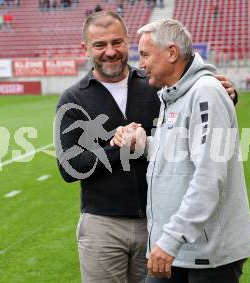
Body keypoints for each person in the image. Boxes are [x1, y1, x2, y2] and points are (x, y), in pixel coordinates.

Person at [55, 12, 238, 283]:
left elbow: (197, 101)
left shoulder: (157, 83)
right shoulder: (73, 98)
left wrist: (228, 95)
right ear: (86, 48)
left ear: (127, 41)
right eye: (99, 45)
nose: (110, 52)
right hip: (103, 226)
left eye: (116, 42)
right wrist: (120, 148)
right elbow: (69, 168)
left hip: (158, 224)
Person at [112, 18, 250, 282]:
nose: (141, 64)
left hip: (206, 256)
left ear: (171, 53)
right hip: (177, 250)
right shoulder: (174, 93)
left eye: (145, 55)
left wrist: (169, 240)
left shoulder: (206, 93)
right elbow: (179, 154)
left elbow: (209, 176)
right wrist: (143, 143)